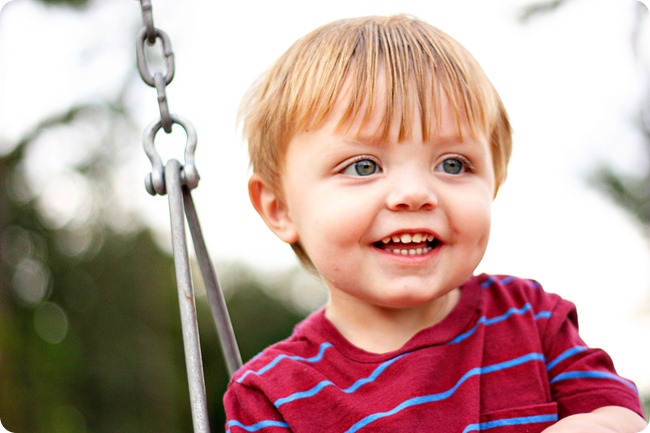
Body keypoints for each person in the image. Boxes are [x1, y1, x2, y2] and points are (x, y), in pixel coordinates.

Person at [224, 14, 647, 433]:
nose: (415, 193)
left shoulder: (530, 319)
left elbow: (618, 419)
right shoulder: (271, 394)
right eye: (363, 166)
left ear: (494, 183)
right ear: (280, 209)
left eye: (453, 164)